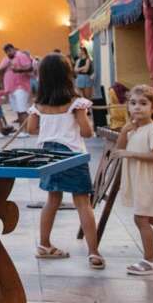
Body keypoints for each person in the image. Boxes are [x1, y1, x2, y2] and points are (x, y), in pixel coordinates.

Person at [27, 54, 103, 269]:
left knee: (52, 200)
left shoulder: (38, 105)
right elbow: (87, 132)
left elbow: (32, 129)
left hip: (48, 155)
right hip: (72, 155)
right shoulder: (76, 103)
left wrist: (51, 130)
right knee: (82, 203)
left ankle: (44, 244)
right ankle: (94, 252)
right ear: (67, 75)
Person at [113, 85, 153, 274]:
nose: (137, 107)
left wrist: (131, 153)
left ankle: (149, 260)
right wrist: (125, 131)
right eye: (133, 103)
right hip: (138, 180)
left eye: (143, 103)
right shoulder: (133, 129)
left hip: (149, 180)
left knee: (141, 218)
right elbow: (119, 149)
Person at [0, 43, 34, 129]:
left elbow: (30, 67)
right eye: (6, 51)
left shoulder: (21, 56)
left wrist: (18, 70)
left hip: (20, 87)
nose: (8, 53)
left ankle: (26, 130)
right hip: (11, 88)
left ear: (13, 49)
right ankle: (21, 130)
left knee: (22, 109)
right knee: (18, 110)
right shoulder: (6, 59)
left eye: (10, 50)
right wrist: (5, 66)